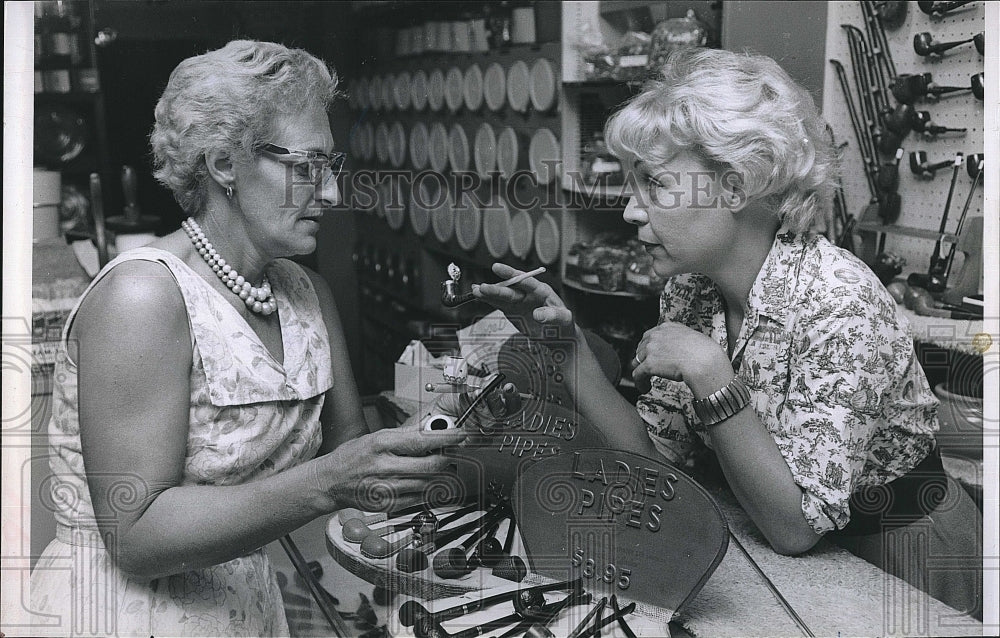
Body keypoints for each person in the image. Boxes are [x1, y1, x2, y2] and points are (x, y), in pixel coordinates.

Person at [469, 48, 981, 618]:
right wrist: (561, 345)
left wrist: (713, 374)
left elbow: (795, 528)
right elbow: (655, 462)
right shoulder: (690, 292)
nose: (632, 214)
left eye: (655, 186)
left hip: (899, 555)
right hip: (783, 547)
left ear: (735, 188)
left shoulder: (839, 300)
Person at [29, 40, 465, 637]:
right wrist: (326, 483)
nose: (333, 194)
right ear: (224, 163)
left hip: (245, 606)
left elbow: (351, 461)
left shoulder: (306, 292)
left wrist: (452, 425)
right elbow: (136, 535)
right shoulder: (144, 298)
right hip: (128, 616)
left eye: (330, 167)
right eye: (305, 166)